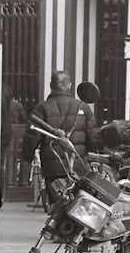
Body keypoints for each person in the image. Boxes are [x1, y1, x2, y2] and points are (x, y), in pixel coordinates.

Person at [21, 71, 98, 205]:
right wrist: (93, 153)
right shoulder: (83, 108)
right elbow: (92, 137)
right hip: (77, 166)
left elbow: (31, 137)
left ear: (51, 86)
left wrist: (27, 157)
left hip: (52, 167)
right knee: (77, 204)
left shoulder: (41, 108)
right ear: (69, 85)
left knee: (58, 206)